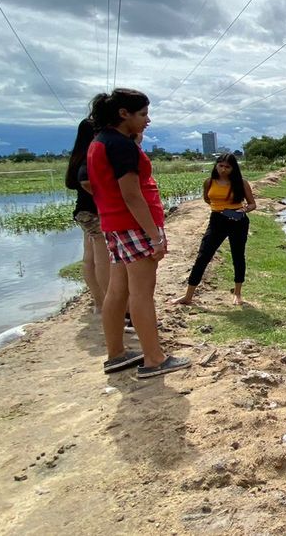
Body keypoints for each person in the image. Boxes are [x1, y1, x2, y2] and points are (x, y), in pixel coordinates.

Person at [87, 88, 190, 378]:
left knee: (117, 290)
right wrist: (154, 236)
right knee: (142, 294)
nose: (148, 120)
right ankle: (154, 359)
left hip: (114, 224)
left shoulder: (99, 142)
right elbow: (132, 195)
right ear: (124, 114)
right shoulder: (121, 145)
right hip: (133, 225)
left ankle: (116, 354)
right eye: (143, 114)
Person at [173, 153, 256, 306]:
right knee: (203, 256)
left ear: (233, 168)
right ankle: (188, 296)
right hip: (217, 220)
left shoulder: (241, 183)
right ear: (216, 165)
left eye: (227, 167)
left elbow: (252, 204)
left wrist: (242, 210)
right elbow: (207, 198)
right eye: (221, 165)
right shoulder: (209, 182)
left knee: (238, 256)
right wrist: (219, 208)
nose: (223, 169)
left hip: (238, 221)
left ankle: (237, 294)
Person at [65, 119, 108, 315]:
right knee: (103, 259)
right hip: (96, 212)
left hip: (83, 213)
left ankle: (99, 302)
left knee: (89, 258)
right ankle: (106, 304)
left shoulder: (78, 156)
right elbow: (86, 182)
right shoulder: (90, 157)